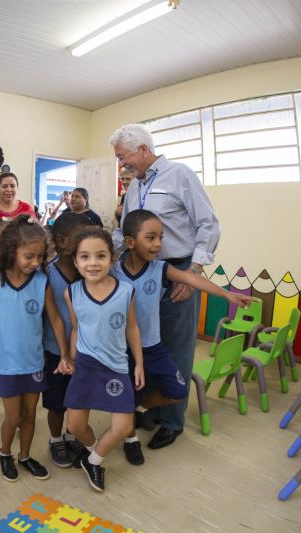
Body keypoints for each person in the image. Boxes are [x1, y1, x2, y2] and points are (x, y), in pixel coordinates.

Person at [110, 123, 220, 450]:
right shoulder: (133, 188)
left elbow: (208, 224)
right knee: (144, 344)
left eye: (124, 157)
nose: (122, 164)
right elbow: (124, 233)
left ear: (143, 149)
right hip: (140, 275)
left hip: (179, 270)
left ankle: (172, 421)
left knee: (176, 348)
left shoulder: (180, 175)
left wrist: (195, 270)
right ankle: (150, 409)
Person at [113, 210, 253, 465]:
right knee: (125, 397)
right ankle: (130, 439)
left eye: (161, 238)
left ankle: (142, 406)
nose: (158, 244)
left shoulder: (161, 269)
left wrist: (229, 295)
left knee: (177, 390)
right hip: (123, 350)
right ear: (130, 242)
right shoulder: (114, 269)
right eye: (151, 238)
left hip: (152, 348)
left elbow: (190, 278)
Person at [0, 215, 69, 483]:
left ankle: (25, 456)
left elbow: (54, 319)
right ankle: (5, 453)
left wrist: (64, 354)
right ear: (11, 249)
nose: (35, 263)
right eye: (29, 256)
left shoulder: (41, 282)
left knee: (30, 415)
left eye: (40, 257)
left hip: (33, 363)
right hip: (4, 363)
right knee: (13, 416)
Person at [57, 227, 144, 493]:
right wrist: (69, 359)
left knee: (124, 426)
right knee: (74, 425)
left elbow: (132, 328)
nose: (92, 263)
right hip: (85, 364)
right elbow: (75, 327)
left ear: (112, 259)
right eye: (84, 257)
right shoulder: (71, 292)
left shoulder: (126, 291)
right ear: (75, 261)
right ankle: (94, 451)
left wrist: (139, 363)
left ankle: (94, 461)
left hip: (117, 366)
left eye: (100, 256)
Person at [41, 212, 92, 468]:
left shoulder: (89, 273)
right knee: (57, 403)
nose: (88, 242)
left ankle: (73, 435)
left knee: (81, 399)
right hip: (55, 352)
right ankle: (55, 439)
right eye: (81, 237)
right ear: (61, 241)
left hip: (85, 351)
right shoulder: (47, 276)